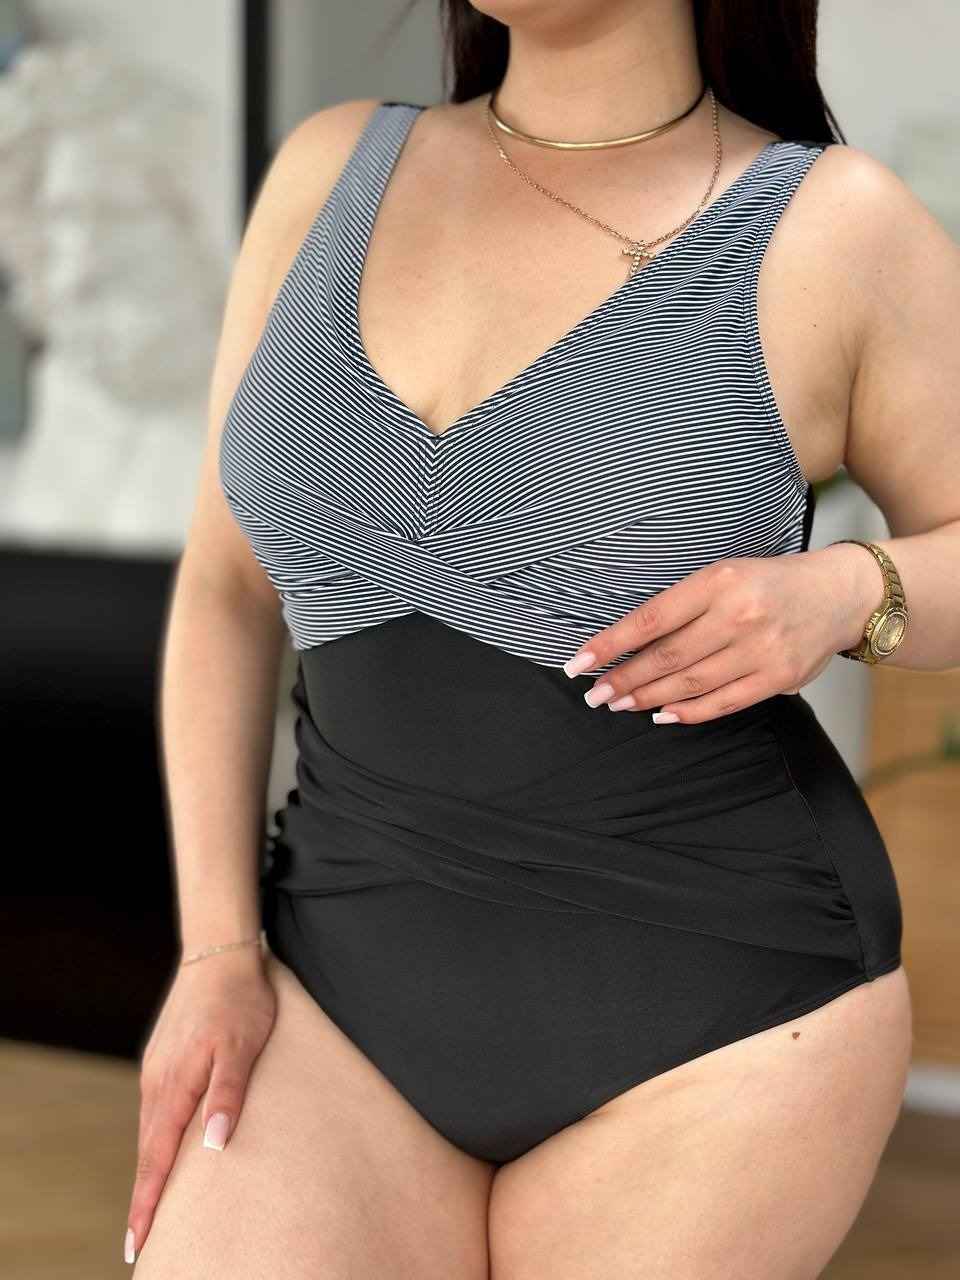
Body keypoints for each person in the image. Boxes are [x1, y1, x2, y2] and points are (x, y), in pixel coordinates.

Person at [124, 2, 960, 1275]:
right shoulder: (331, 171)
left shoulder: (833, 224)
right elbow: (226, 591)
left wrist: (849, 586)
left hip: (723, 1020)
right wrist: (216, 949)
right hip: (338, 982)